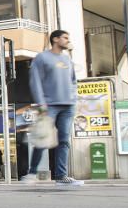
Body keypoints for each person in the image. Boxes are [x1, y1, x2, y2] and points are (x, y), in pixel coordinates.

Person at [21, 30, 83, 187]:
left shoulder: (67, 59)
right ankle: (32, 173)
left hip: (68, 106)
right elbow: (35, 82)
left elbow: (73, 82)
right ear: (55, 39)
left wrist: (75, 100)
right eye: (65, 38)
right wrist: (41, 105)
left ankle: (61, 176)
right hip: (49, 105)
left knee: (64, 141)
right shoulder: (42, 58)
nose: (67, 40)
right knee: (43, 138)